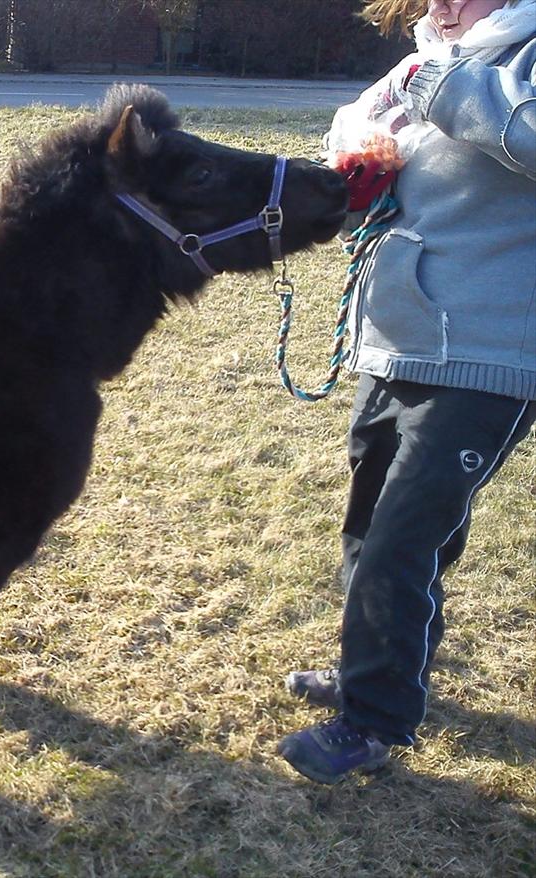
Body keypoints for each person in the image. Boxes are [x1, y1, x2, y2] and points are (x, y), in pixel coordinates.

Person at [276, 0, 536, 785]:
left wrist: (454, 89)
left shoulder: (510, 56)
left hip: (491, 353)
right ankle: (376, 664)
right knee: (368, 526)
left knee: (402, 535)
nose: (444, 6)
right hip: (397, 339)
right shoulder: (421, 60)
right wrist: (359, 147)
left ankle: (374, 721)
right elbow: (358, 132)